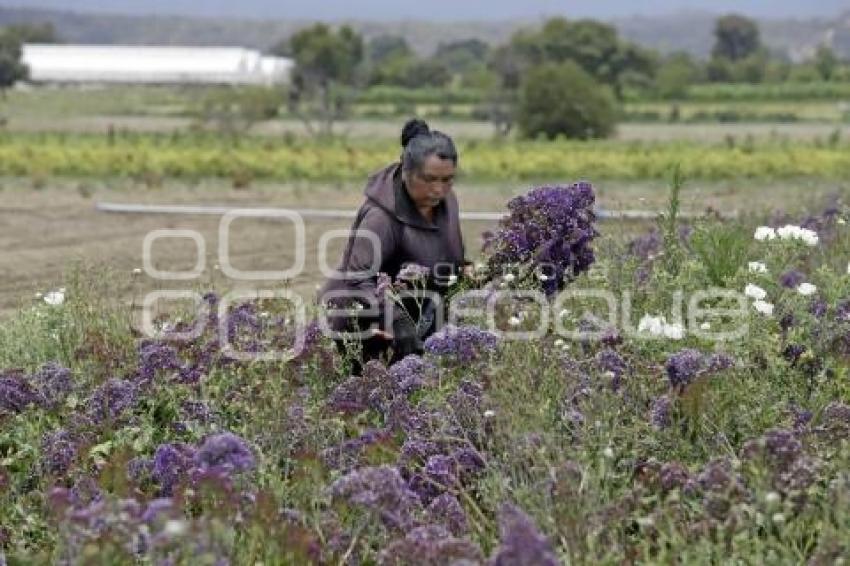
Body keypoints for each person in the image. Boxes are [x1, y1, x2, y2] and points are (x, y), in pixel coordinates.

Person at [319, 118, 468, 373]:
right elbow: (357, 279)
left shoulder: (446, 203)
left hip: (417, 322)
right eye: (430, 179)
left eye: (447, 180)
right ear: (407, 171)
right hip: (363, 328)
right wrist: (396, 319)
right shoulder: (381, 218)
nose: (439, 189)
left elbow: (449, 255)